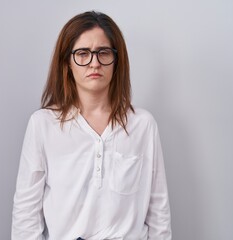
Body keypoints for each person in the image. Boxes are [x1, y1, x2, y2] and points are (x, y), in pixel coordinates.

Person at [11, 11, 171, 240]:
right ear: (67, 62)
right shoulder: (43, 125)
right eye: (83, 53)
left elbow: (159, 212)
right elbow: (25, 214)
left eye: (103, 53)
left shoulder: (142, 125)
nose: (94, 63)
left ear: (117, 61)